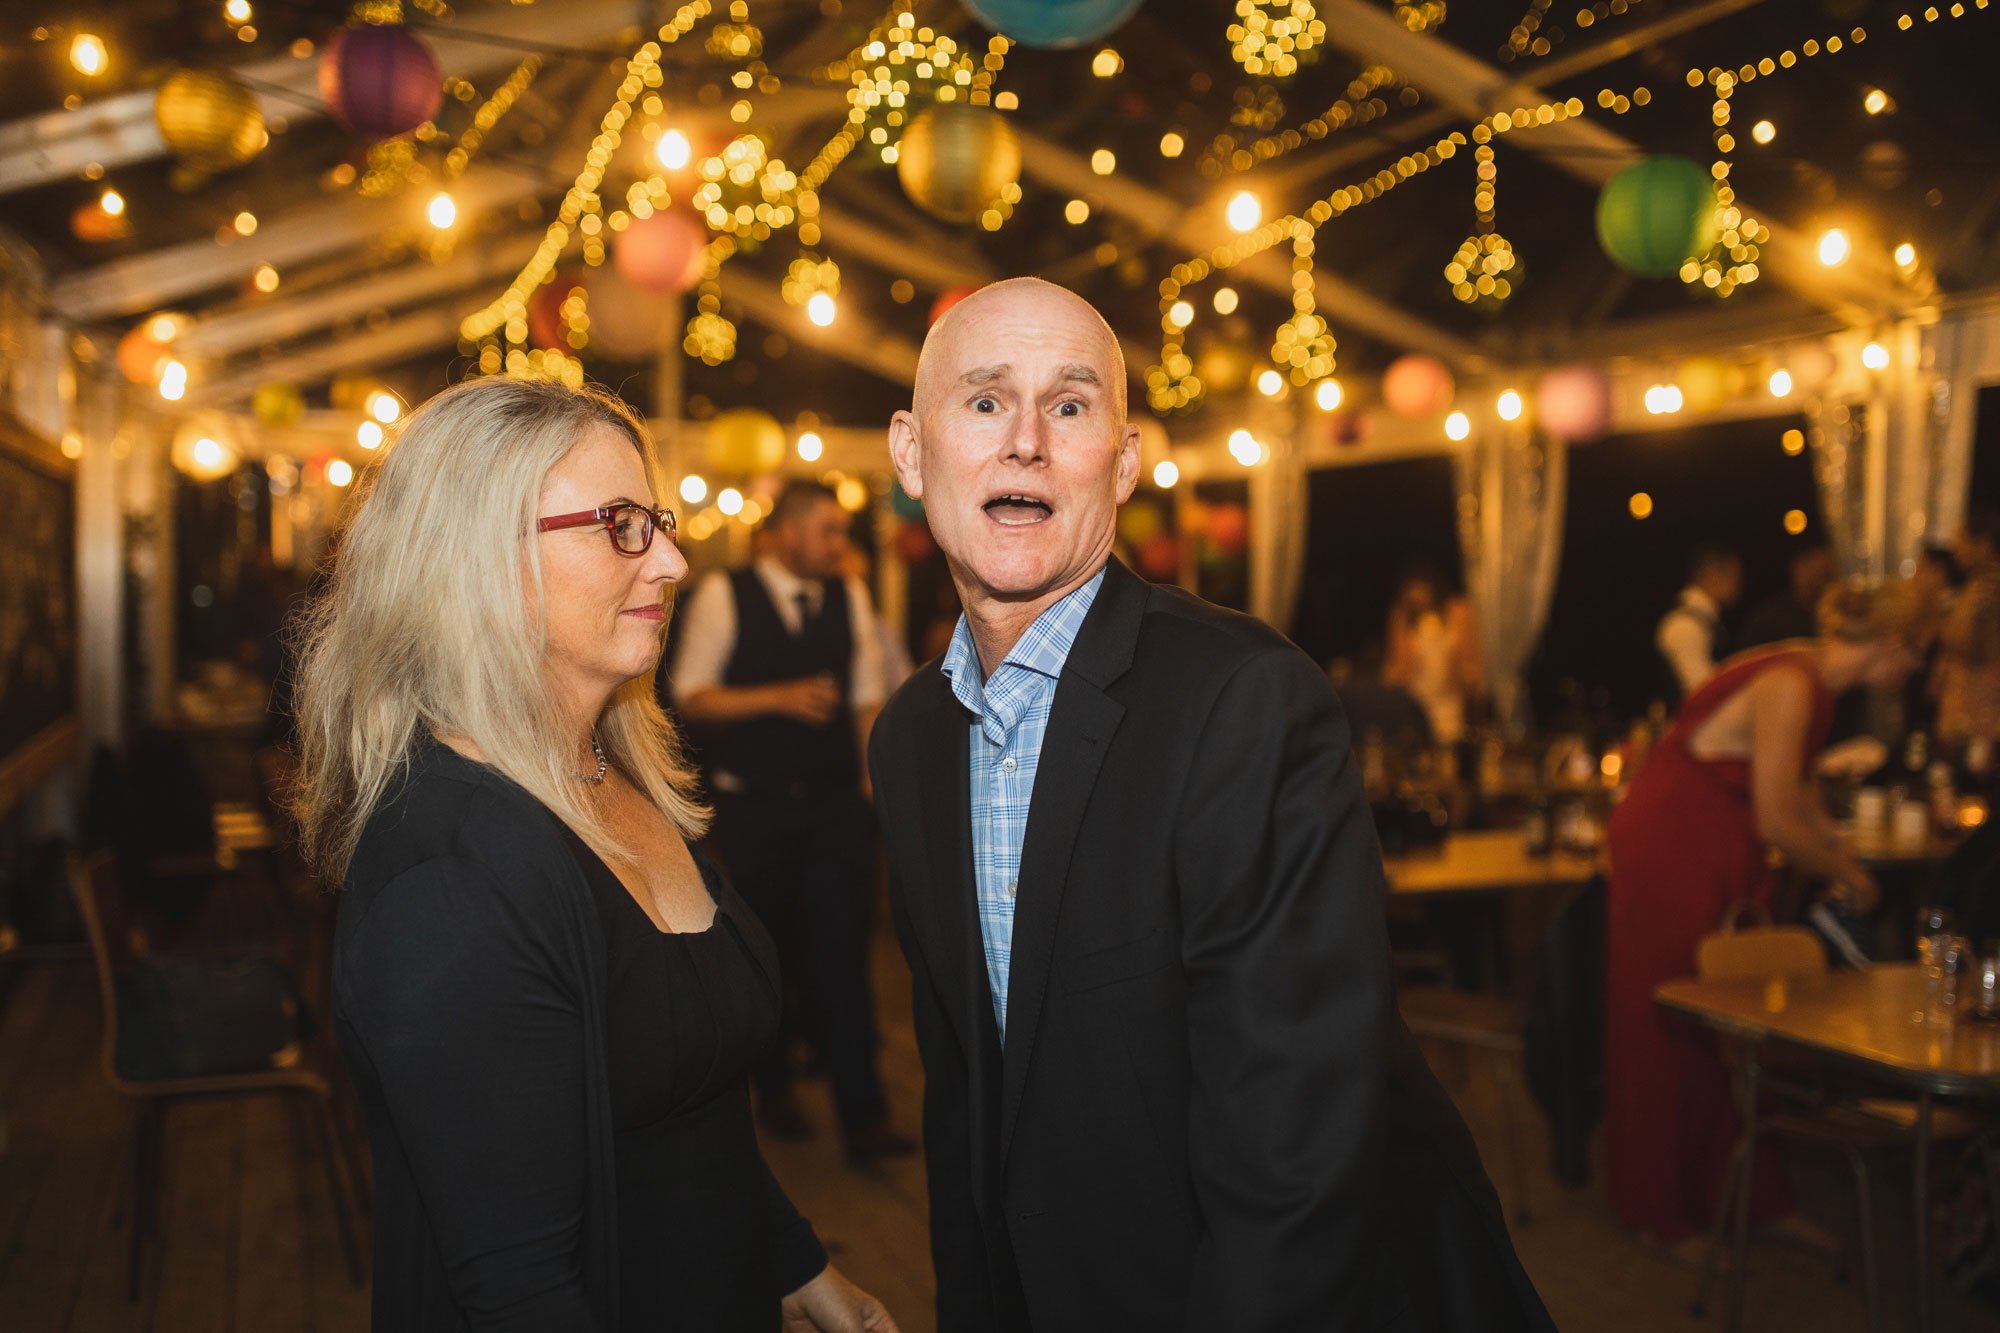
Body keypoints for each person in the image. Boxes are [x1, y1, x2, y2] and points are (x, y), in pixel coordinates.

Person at [870, 277, 1553, 1331]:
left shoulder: (1242, 699)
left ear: (1126, 461)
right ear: (911, 455)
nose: (1024, 443)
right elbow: (967, 1093)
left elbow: (1296, 1143)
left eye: (1068, 405)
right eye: (982, 400)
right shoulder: (910, 736)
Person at [290, 378, 895, 1331]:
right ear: (478, 559)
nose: (674, 558)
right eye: (621, 524)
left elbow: (686, 1100)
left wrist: (797, 1263)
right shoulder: (450, 879)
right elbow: (519, 1291)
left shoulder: (616, 769)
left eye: (656, 519)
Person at [1604, 579, 1933, 1254]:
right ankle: (1663, 1209)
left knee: (1736, 1024)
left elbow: (1798, 788)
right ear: (1893, 644)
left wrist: (1836, 846)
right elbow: (1779, 818)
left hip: (1711, 836)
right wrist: (1848, 873)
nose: (1914, 672)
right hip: (1676, 842)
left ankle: (1754, 1195)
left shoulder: (1809, 671)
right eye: (1916, 655)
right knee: (1676, 1023)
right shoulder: (1793, 681)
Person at [671, 481, 913, 1162]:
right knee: (766, 955)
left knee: (845, 958)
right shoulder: (725, 594)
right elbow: (691, 696)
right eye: (829, 531)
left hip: (836, 808)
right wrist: (777, 697)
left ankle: (864, 1115)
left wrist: (873, 783)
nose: (841, 545)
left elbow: (866, 696)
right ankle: (773, 1090)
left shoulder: (850, 594)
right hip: (755, 808)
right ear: (787, 532)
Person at [1382, 570, 1483, 745]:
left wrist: (1465, 674)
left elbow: (1471, 669)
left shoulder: (1458, 611)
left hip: (1450, 705)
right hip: (1415, 706)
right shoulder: (1403, 617)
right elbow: (1396, 672)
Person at [1936, 507, 2000, 747]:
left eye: (1961, 540)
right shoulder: (1977, 585)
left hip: (1979, 708)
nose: (1956, 550)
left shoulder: (1987, 587)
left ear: (1983, 544)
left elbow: (1969, 645)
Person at [1656, 545, 1743, 702]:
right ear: (1712, 574)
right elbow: (1701, 692)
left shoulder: (1704, 621)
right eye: (1735, 577)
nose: (1738, 585)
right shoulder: (1684, 624)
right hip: (1691, 724)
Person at [1737, 542, 1833, 650]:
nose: (1818, 581)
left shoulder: (1836, 616)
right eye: (1813, 571)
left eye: (1825, 574)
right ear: (1796, 569)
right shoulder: (1768, 618)